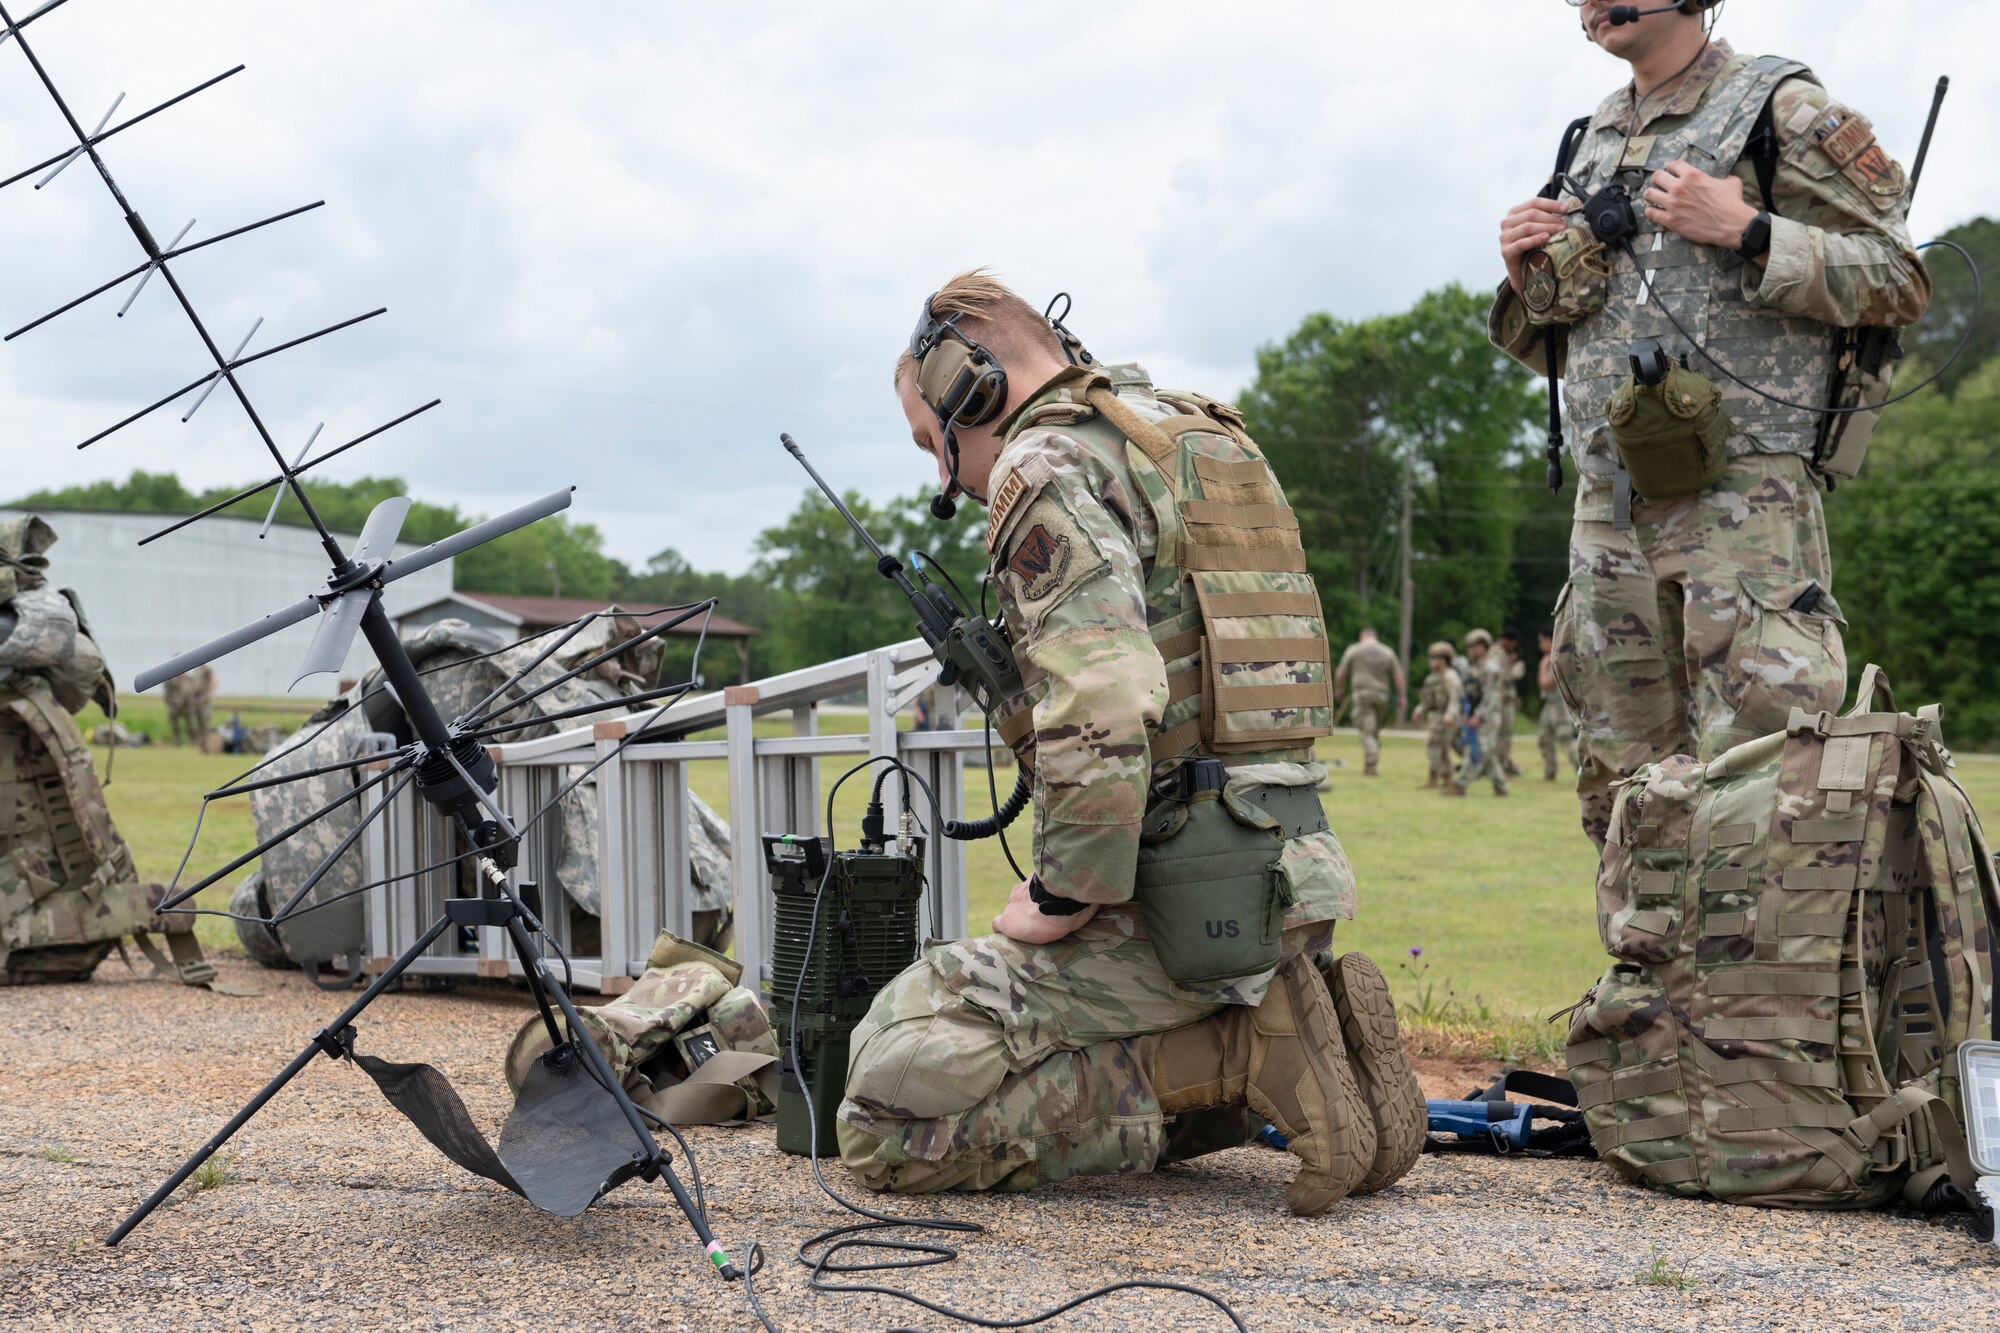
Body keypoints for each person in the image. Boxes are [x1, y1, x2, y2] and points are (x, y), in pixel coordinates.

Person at [837, 271, 1425, 1213]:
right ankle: (1317, 1060)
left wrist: (1067, 889)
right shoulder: (1196, 435)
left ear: (966, 382)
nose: (946, 479)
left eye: (931, 441)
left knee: (884, 1099)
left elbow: (1103, 694)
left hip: (1172, 910)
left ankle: (1238, 1057)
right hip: (1286, 883)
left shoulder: (1046, 466)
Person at [1490, 0, 1928, 845]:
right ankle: (1642, 971)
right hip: (1610, 498)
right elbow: (1570, 351)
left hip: (1742, 490)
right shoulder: (1592, 138)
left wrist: (1751, 229)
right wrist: (1524, 277)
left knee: (1762, 756)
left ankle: (1746, 981)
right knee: (1620, 759)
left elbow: (1902, 278)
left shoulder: (1781, 108)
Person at [1334, 627, 1405, 778]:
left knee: (1367, 731)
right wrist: (1402, 697)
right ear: (1375, 636)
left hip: (1362, 695)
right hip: (1382, 696)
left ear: (1362, 636)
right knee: (1374, 730)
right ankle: (1370, 761)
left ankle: (1371, 761)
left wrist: (1339, 689)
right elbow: (1398, 674)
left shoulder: (1354, 650)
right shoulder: (1388, 652)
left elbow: (1341, 672)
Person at [1458, 629, 1508, 797]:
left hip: (1487, 716)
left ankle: (1460, 785)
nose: (1468, 651)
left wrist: (1478, 715)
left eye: (1471, 647)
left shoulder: (1490, 668)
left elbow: (1490, 696)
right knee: (1487, 752)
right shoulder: (1477, 667)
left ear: (1481, 646)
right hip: (1477, 715)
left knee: (1478, 750)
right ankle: (1500, 787)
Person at [1411, 642, 1465, 796]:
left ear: (1444, 660)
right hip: (1435, 716)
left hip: (1446, 717)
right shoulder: (1432, 678)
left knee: (1441, 747)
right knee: (1433, 746)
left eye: (1435, 658)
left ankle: (1446, 778)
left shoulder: (1450, 677)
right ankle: (1434, 777)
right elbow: (1428, 698)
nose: (1432, 661)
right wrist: (1420, 709)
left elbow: (1455, 699)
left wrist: (1450, 714)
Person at [1536, 626, 1579, 781]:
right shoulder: (1550, 659)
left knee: (1565, 740)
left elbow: (1545, 683)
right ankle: (1550, 771)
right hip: (1549, 704)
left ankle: (1581, 769)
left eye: (1542, 641)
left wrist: (1542, 665)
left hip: (1560, 706)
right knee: (1544, 739)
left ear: (1549, 640)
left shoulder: (1559, 659)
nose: (1540, 645)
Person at [1493, 627, 1526, 778]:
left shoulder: (1499, 653)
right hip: (1502, 700)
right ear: (1506, 641)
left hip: (1502, 699)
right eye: (1513, 644)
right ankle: (1500, 764)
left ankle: (1501, 762)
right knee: (1503, 734)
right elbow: (1502, 678)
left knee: (1502, 734)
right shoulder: (1497, 654)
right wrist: (1516, 670)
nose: (1514, 647)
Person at [163, 665, 216, 747]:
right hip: (176, 704)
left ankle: (200, 742)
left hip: (190, 704)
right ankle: (178, 741)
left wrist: (206, 695)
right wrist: (169, 703)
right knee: (176, 724)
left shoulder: (204, 670)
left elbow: (213, 681)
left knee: (199, 724)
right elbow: (167, 692)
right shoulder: (171, 678)